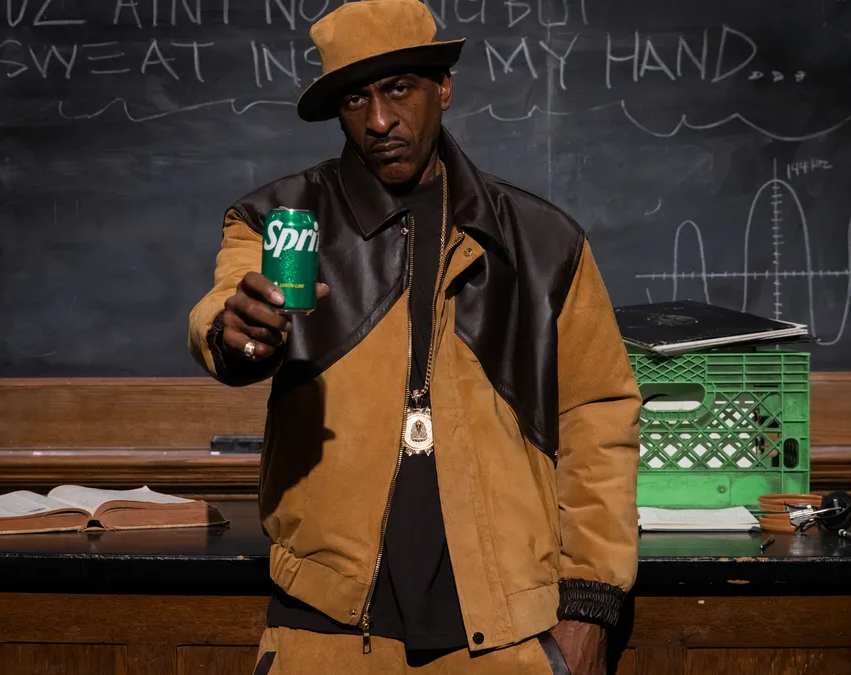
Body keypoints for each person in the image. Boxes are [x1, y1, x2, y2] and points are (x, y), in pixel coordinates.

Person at [188, 1, 640, 673]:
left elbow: (596, 416)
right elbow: (227, 309)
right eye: (354, 100)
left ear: (443, 88)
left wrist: (590, 604)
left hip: (506, 635)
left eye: (397, 89)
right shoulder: (281, 220)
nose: (378, 121)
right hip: (326, 631)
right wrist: (240, 335)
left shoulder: (543, 243)